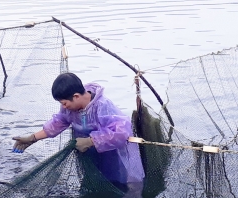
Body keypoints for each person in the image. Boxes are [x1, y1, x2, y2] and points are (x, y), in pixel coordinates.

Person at [12, 72, 145, 186]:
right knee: (92, 182)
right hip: (88, 157)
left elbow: (121, 133)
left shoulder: (102, 105)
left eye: (64, 103)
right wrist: (33, 138)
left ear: (76, 96)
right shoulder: (69, 109)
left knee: (115, 184)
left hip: (112, 157)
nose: (63, 107)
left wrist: (90, 141)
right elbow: (58, 122)